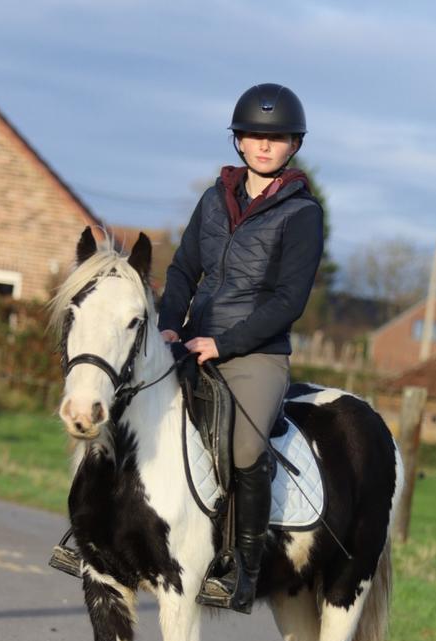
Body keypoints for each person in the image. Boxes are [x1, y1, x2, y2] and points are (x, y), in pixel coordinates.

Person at [159, 83, 324, 613]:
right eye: (254, 135)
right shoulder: (213, 200)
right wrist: (168, 325)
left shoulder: (303, 214)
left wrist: (224, 342)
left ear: (293, 145)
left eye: (275, 138)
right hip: (192, 340)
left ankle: (242, 568)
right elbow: (185, 268)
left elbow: (287, 301)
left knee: (245, 449)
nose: (263, 145)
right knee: (131, 409)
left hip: (256, 353)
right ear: (239, 141)